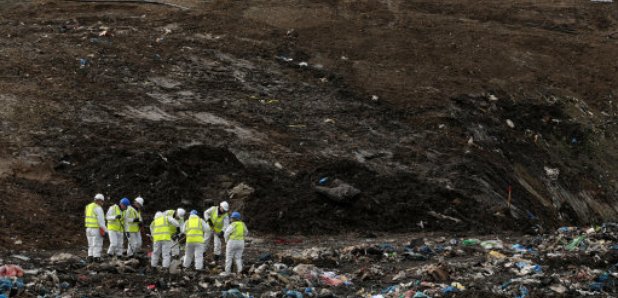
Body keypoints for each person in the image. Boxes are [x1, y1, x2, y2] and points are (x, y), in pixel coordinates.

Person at [85, 193, 107, 263]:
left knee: (90, 244)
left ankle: (90, 257)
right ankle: (97, 258)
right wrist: (106, 231)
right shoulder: (98, 208)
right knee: (97, 244)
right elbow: (101, 222)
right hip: (95, 229)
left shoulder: (88, 206)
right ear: (100, 200)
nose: (102, 203)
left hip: (88, 229)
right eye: (102, 201)